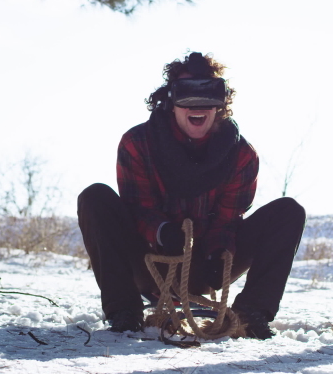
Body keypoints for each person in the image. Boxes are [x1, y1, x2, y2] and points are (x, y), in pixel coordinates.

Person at [77, 52, 305, 340]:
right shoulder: (137, 143)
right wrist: (164, 233)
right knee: (94, 197)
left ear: (221, 103)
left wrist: (217, 252)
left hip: (208, 265)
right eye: (187, 95)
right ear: (170, 101)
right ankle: (124, 312)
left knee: (288, 211)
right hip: (148, 261)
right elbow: (138, 209)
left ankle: (251, 315)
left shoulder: (242, 155)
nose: (198, 106)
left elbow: (228, 218)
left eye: (208, 94)